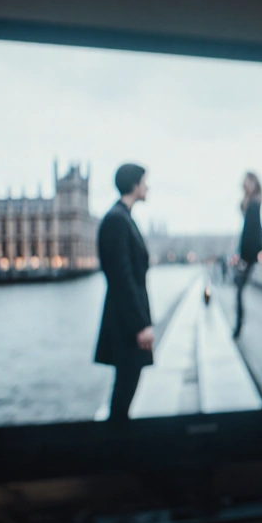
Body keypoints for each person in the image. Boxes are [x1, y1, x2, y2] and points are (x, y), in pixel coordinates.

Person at [94, 163, 153, 424]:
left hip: (125, 318)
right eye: (145, 182)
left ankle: (115, 446)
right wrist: (140, 325)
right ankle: (114, 449)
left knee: (125, 387)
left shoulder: (122, 217)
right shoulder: (117, 220)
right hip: (125, 323)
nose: (148, 187)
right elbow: (122, 278)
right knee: (123, 394)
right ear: (135, 185)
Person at [232, 171, 262, 339]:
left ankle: (239, 324)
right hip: (247, 255)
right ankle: (238, 323)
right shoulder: (252, 203)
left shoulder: (254, 204)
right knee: (238, 289)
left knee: (238, 289)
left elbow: (253, 233)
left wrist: (244, 257)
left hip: (247, 256)